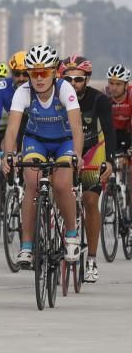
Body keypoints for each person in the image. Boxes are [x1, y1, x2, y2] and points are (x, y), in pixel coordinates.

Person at [1, 45, 83, 268]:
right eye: (34, 73)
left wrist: (77, 154)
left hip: (64, 141)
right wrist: (8, 155)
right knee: (32, 183)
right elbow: (12, 129)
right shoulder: (23, 92)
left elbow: (76, 127)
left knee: (62, 184)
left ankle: (72, 234)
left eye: (44, 72)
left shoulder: (65, 89)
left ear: (55, 71)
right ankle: (27, 246)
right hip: (35, 140)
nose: (39, 78)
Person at [59, 55, 115, 282]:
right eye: (68, 78)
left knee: (91, 201)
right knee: (60, 193)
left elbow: (109, 131)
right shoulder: (57, 98)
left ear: (87, 79)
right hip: (65, 149)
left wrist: (109, 160)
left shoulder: (99, 100)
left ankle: (91, 259)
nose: (73, 83)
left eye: (79, 79)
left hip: (93, 150)